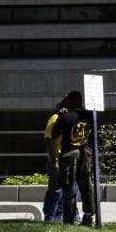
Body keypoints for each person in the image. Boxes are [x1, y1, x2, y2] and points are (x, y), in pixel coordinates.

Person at [51, 90, 94, 226]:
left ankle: (69, 220)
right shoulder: (90, 116)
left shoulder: (66, 117)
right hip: (85, 153)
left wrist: (60, 116)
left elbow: (54, 134)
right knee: (86, 186)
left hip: (70, 154)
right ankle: (88, 217)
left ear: (69, 101)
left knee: (69, 187)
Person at [41, 94, 69, 223]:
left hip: (67, 160)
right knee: (56, 190)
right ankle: (50, 217)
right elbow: (48, 139)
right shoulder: (55, 118)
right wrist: (55, 161)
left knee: (65, 190)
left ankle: (59, 216)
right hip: (57, 160)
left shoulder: (68, 118)